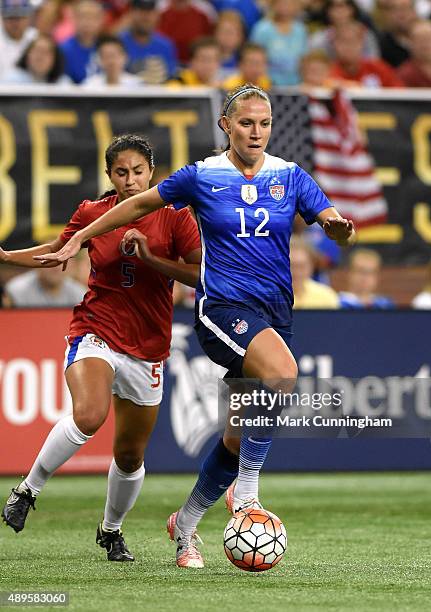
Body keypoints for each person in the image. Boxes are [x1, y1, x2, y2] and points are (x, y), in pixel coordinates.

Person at [35, 84, 356, 569]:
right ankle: (246, 497)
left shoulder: (289, 177)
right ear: (225, 126)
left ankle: (184, 523)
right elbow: (138, 206)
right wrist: (80, 235)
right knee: (283, 374)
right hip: (222, 306)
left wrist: (337, 228)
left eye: (264, 124)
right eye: (246, 123)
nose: (256, 132)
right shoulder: (203, 176)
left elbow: (329, 217)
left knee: (235, 437)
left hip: (274, 312)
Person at [1, 134, 201, 563]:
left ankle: (111, 531)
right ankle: (27, 490)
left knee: (130, 456)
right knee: (89, 414)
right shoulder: (94, 213)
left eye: (138, 172)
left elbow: (196, 275)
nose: (130, 180)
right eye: (121, 172)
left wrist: (149, 257)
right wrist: (4, 256)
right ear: (109, 175)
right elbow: (58, 251)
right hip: (96, 328)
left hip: (148, 346)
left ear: (153, 172)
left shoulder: (176, 217)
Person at [250, 0, 308, 85]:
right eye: (281, 3)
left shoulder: (301, 30)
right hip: (267, 84)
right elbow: (253, 58)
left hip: (296, 84)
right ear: (273, 4)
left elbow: (304, 59)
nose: (285, 7)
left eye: (289, 3)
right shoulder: (262, 29)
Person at [119, 0, 177, 85]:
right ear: (131, 14)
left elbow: (171, 78)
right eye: (141, 12)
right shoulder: (118, 43)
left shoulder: (166, 45)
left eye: (150, 12)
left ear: (157, 15)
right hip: (125, 95)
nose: (145, 17)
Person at [330, 20, 404, 87]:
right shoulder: (328, 72)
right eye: (343, 41)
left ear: (362, 43)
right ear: (334, 44)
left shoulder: (378, 68)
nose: (349, 46)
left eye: (353, 41)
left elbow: (400, 92)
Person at [60, 0, 104, 84]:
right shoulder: (63, 51)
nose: (87, 22)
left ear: (101, 20)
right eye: (82, 16)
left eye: (92, 17)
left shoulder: (108, 48)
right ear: (73, 19)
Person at [290, 236, 339, 308]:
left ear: (312, 266)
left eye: (302, 266)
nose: (296, 272)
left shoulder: (326, 296)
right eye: (291, 266)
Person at [3, 264, 86, 307]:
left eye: (63, 259)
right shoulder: (16, 291)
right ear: (37, 261)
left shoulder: (80, 294)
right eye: (49, 259)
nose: (56, 267)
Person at [2, 33, 71, 84]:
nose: (40, 57)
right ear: (27, 55)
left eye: (46, 52)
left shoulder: (63, 84)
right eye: (37, 51)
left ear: (55, 59)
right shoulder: (11, 80)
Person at [0, 0, 37, 78]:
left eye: (20, 17)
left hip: (31, 88)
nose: (16, 22)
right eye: (11, 17)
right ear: (2, 18)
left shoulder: (36, 38)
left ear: (29, 18)